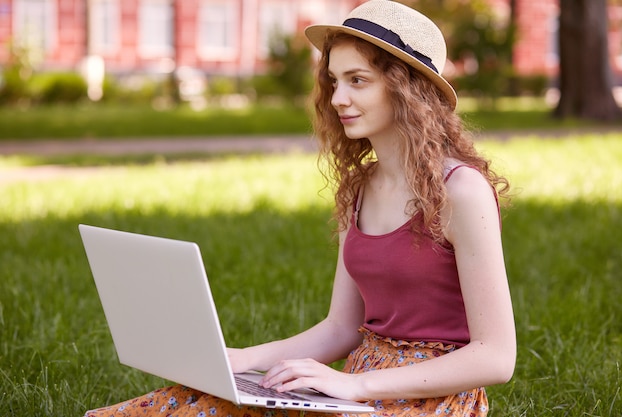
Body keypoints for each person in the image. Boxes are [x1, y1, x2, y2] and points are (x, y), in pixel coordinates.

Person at [84, 1, 516, 416]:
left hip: (433, 399)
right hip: (354, 388)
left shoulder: (461, 192)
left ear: (407, 89)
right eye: (334, 81)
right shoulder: (360, 188)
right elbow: (341, 329)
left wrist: (356, 386)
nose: (337, 99)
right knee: (191, 404)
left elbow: (496, 357)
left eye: (357, 80)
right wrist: (239, 360)